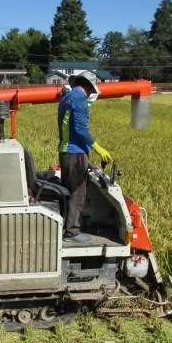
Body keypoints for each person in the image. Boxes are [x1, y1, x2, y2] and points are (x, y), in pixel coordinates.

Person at [57, 71, 112, 242]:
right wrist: (98, 148)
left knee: (69, 191)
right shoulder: (79, 99)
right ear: (88, 86)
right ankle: (72, 231)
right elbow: (80, 129)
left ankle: (66, 227)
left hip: (67, 151)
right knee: (78, 192)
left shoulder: (67, 98)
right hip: (76, 153)